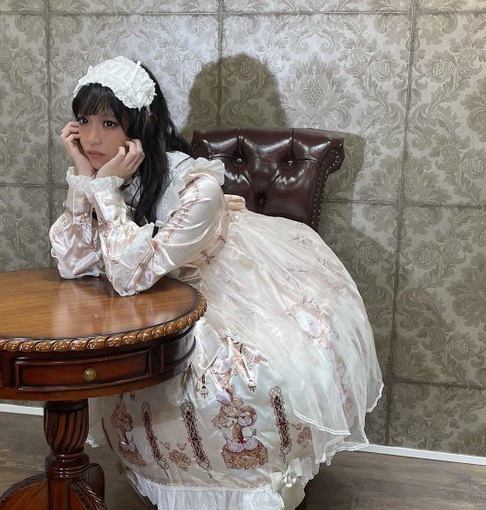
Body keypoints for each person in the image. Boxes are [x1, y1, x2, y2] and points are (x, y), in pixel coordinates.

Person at [49, 56, 383, 510]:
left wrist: (104, 193)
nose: (91, 139)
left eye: (109, 123)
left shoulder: (196, 187)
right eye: (84, 121)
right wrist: (85, 182)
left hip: (225, 285)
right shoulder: (110, 174)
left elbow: (128, 276)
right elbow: (73, 264)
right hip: (155, 297)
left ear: (145, 122)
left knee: (231, 381)